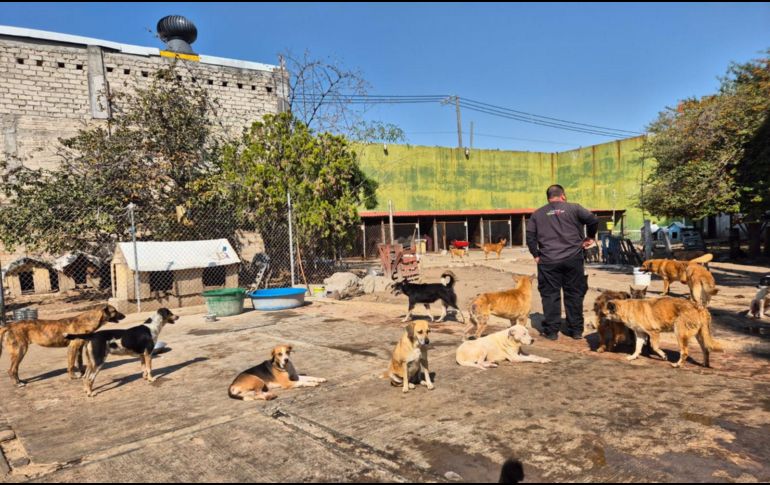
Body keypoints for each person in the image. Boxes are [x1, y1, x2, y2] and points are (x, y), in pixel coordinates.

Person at [526, 184, 598, 340]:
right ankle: (576, 330)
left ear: (548, 198)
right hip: (573, 259)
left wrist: (536, 255)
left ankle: (552, 332)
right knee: (574, 293)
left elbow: (530, 236)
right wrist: (590, 237)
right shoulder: (575, 208)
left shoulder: (538, 214)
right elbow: (593, 220)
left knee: (550, 295)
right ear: (563, 196)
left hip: (548, 261)